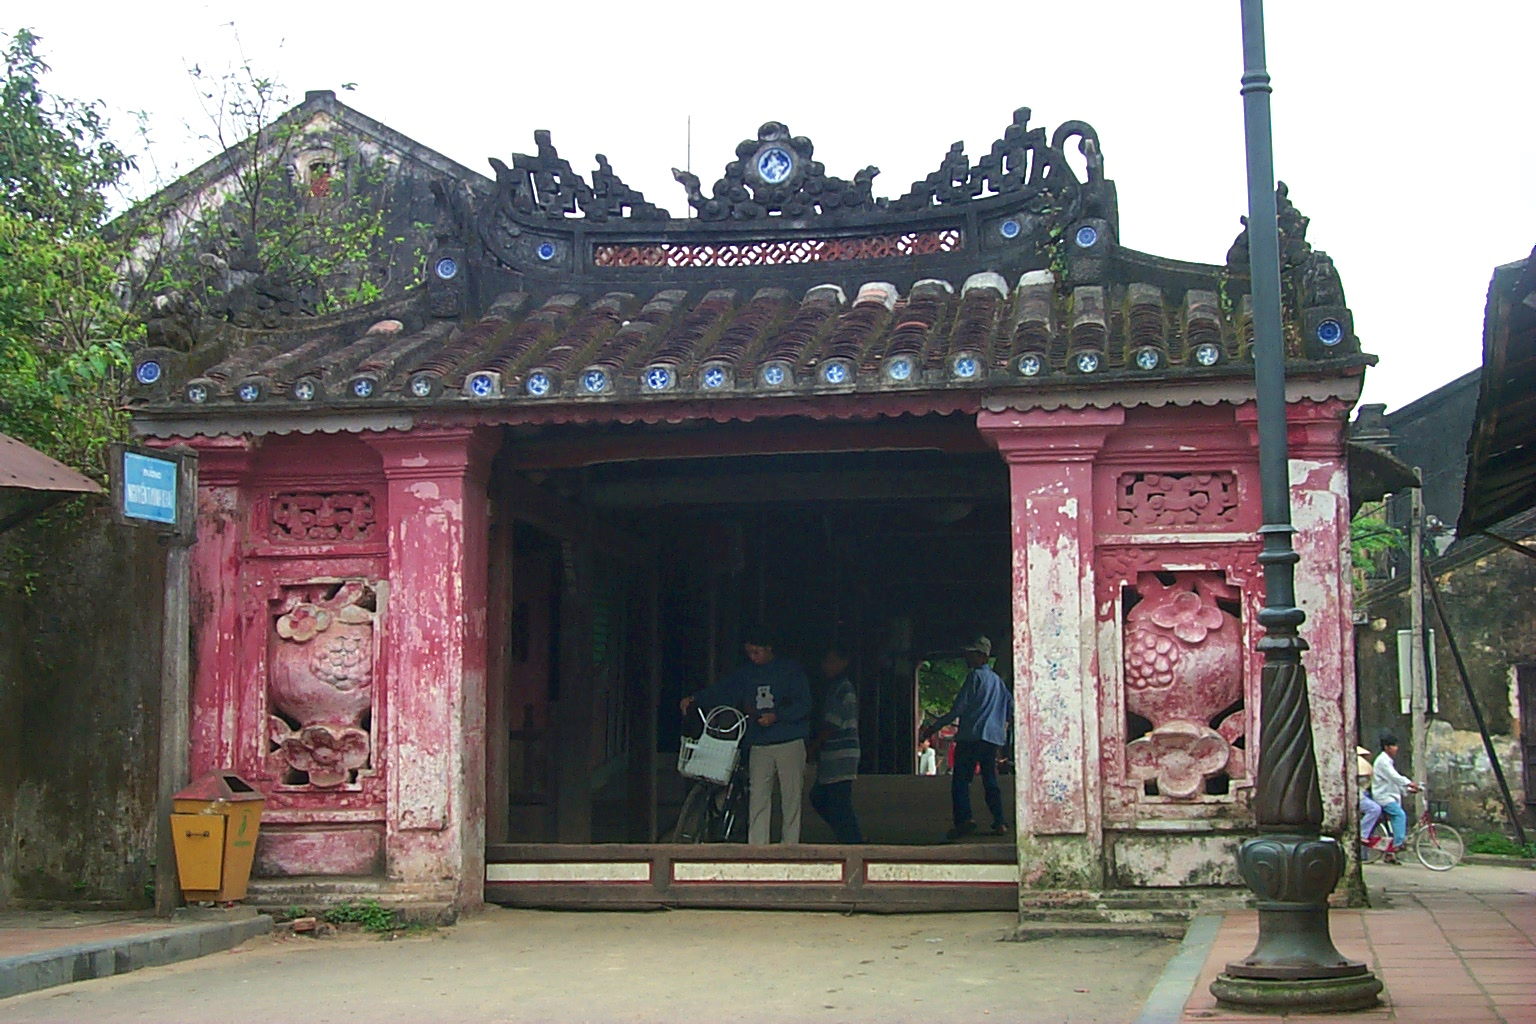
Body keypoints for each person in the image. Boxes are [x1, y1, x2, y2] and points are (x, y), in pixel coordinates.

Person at [682, 629, 811, 844]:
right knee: (758, 795)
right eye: (750, 653)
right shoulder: (746, 674)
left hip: (789, 741)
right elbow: (724, 690)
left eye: (757, 652)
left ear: (769, 648)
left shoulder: (790, 671)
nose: (753, 657)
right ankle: (758, 845)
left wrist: (777, 716)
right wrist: (696, 699)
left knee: (791, 796)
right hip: (759, 742)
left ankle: (791, 845)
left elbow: (804, 704)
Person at [920, 635, 1011, 840]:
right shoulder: (999, 683)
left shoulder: (974, 678)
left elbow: (958, 709)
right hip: (991, 739)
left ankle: (964, 820)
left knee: (961, 780)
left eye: (970, 654)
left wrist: (933, 728)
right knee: (990, 779)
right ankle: (1000, 821)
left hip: (971, 737)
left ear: (981, 656)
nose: (966, 657)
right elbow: (1010, 709)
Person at [807, 646, 864, 844]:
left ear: (843, 663)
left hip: (841, 753)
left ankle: (852, 840)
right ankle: (847, 836)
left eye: (831, 661)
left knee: (838, 800)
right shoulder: (836, 687)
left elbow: (831, 724)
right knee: (823, 797)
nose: (826, 666)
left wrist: (813, 747)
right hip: (834, 753)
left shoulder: (843, 688)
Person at [1371, 732, 1420, 860]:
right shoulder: (1383, 761)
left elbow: (1394, 782)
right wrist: (1409, 783)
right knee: (1400, 815)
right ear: (1387, 747)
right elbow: (1394, 777)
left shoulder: (1388, 761)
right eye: (1393, 746)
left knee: (1394, 825)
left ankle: (1389, 854)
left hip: (1390, 795)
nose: (1396, 748)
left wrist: (1408, 789)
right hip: (1383, 797)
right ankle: (1398, 844)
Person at [1357, 745, 1384, 847]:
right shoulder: (1360, 767)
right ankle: (1362, 833)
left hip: (1363, 794)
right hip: (1358, 796)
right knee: (1375, 809)